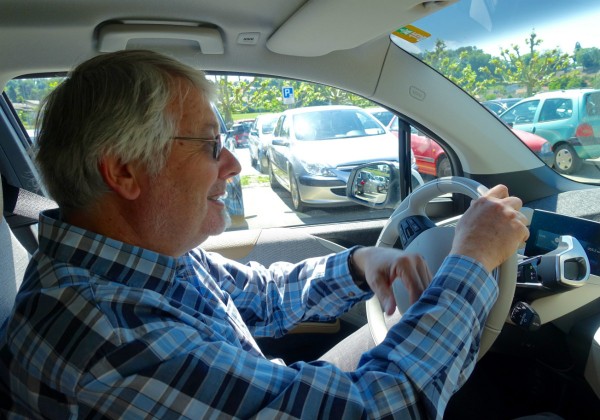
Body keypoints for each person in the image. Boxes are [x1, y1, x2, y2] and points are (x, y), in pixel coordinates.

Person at [0, 50, 529, 419]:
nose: (231, 164)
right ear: (124, 172)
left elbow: (259, 294)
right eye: (209, 145)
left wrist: (360, 263)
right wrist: (473, 260)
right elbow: (375, 411)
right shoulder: (110, 335)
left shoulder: (138, 258)